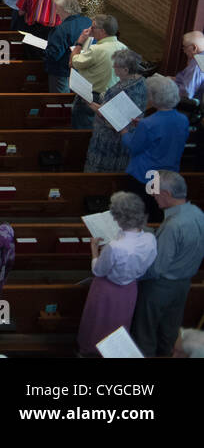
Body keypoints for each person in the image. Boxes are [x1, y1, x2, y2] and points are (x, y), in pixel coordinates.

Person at [131, 171, 204, 356]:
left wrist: (131, 273)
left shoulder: (173, 225)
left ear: (166, 194)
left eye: (155, 191)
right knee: (169, 334)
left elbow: (156, 268)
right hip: (183, 284)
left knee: (144, 335)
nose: (153, 195)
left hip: (160, 287)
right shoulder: (197, 213)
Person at [77, 190, 157, 355]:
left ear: (118, 218)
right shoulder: (150, 238)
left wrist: (94, 250)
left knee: (97, 324)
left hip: (106, 289)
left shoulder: (115, 247)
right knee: (119, 324)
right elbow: (147, 263)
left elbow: (98, 270)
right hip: (129, 289)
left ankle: (90, 352)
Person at [119, 75, 189, 223]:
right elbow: (166, 132)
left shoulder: (149, 124)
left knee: (139, 215)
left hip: (145, 176)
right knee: (157, 216)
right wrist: (144, 124)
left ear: (154, 97)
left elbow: (133, 146)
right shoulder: (183, 119)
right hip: (169, 175)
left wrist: (124, 131)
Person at [85, 48, 146, 173]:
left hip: (110, 139)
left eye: (116, 66)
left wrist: (90, 104)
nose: (113, 67)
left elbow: (108, 116)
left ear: (125, 70)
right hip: (129, 134)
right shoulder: (141, 82)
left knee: (102, 172)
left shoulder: (120, 90)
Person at [69, 14, 127, 129]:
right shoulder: (124, 48)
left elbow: (73, 62)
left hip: (91, 97)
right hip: (113, 97)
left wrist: (80, 42)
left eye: (93, 27)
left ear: (102, 31)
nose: (90, 30)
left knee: (81, 131)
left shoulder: (97, 49)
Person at [44, 0, 90, 93]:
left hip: (63, 72)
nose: (56, 12)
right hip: (84, 70)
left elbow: (54, 55)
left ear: (65, 10)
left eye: (57, 9)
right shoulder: (88, 22)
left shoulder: (61, 29)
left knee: (61, 103)